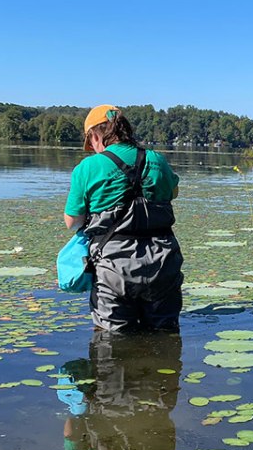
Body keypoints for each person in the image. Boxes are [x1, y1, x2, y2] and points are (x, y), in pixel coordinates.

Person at [64, 105, 184, 331]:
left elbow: (73, 222)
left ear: (96, 134)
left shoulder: (89, 166)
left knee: (112, 345)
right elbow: (173, 193)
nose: (92, 149)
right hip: (163, 264)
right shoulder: (157, 160)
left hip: (114, 269)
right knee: (165, 334)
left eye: (91, 142)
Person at [58, 331, 182, 450]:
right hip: (106, 404)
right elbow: (70, 433)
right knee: (108, 344)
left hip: (150, 399)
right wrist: (76, 410)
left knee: (152, 344)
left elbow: (169, 437)